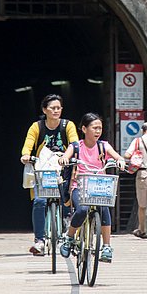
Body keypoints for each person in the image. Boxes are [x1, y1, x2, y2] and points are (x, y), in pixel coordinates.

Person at [58, 112, 126, 263]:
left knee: (104, 209)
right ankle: (69, 237)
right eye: (94, 128)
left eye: (100, 128)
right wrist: (63, 159)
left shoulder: (103, 146)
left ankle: (107, 246)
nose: (97, 131)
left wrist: (120, 161)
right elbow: (65, 156)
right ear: (84, 129)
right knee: (82, 210)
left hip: (99, 187)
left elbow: (117, 156)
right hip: (79, 186)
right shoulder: (76, 146)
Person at [20, 94, 79, 256]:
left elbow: (74, 143)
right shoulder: (37, 127)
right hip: (44, 169)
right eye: (52, 108)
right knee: (39, 201)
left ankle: (69, 227)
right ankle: (39, 240)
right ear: (44, 110)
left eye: (58, 108)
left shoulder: (68, 125)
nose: (56, 111)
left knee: (68, 198)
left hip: (63, 168)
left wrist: (67, 156)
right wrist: (26, 155)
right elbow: (28, 145)